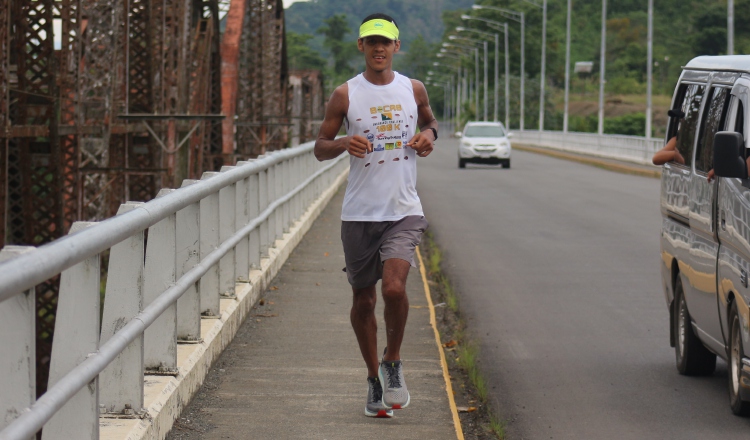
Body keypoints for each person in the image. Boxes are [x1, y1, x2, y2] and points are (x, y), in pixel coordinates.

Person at [314, 13, 438, 418]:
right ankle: (372, 378)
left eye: (385, 42)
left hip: (403, 210)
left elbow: (432, 122)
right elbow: (320, 146)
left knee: (395, 290)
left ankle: (394, 360)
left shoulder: (412, 88)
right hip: (359, 214)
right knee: (363, 300)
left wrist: (428, 137)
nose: (379, 48)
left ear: (397, 46)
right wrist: (344, 142)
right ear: (361, 47)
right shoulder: (344, 95)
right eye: (371, 42)